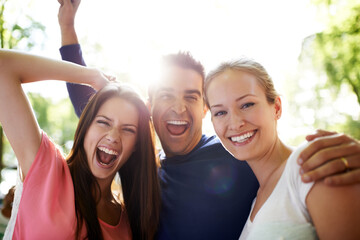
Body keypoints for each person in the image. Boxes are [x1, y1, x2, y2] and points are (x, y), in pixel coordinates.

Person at [57, 0, 360, 238]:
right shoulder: (144, 166)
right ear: (149, 108)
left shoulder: (235, 153)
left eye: (191, 96)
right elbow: (92, 110)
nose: (178, 107)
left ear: (205, 107)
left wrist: (346, 154)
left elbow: (280, 160)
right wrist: (68, 28)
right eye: (166, 96)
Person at [0, 50, 161, 240]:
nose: (113, 136)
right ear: (86, 128)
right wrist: (91, 76)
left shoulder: (129, 222)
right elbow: (4, 66)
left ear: (136, 146)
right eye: (103, 122)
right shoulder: (48, 171)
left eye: (128, 129)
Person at [204, 57, 360, 239]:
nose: (235, 123)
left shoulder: (311, 163)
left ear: (276, 108)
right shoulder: (254, 202)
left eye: (247, 104)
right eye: (220, 112)